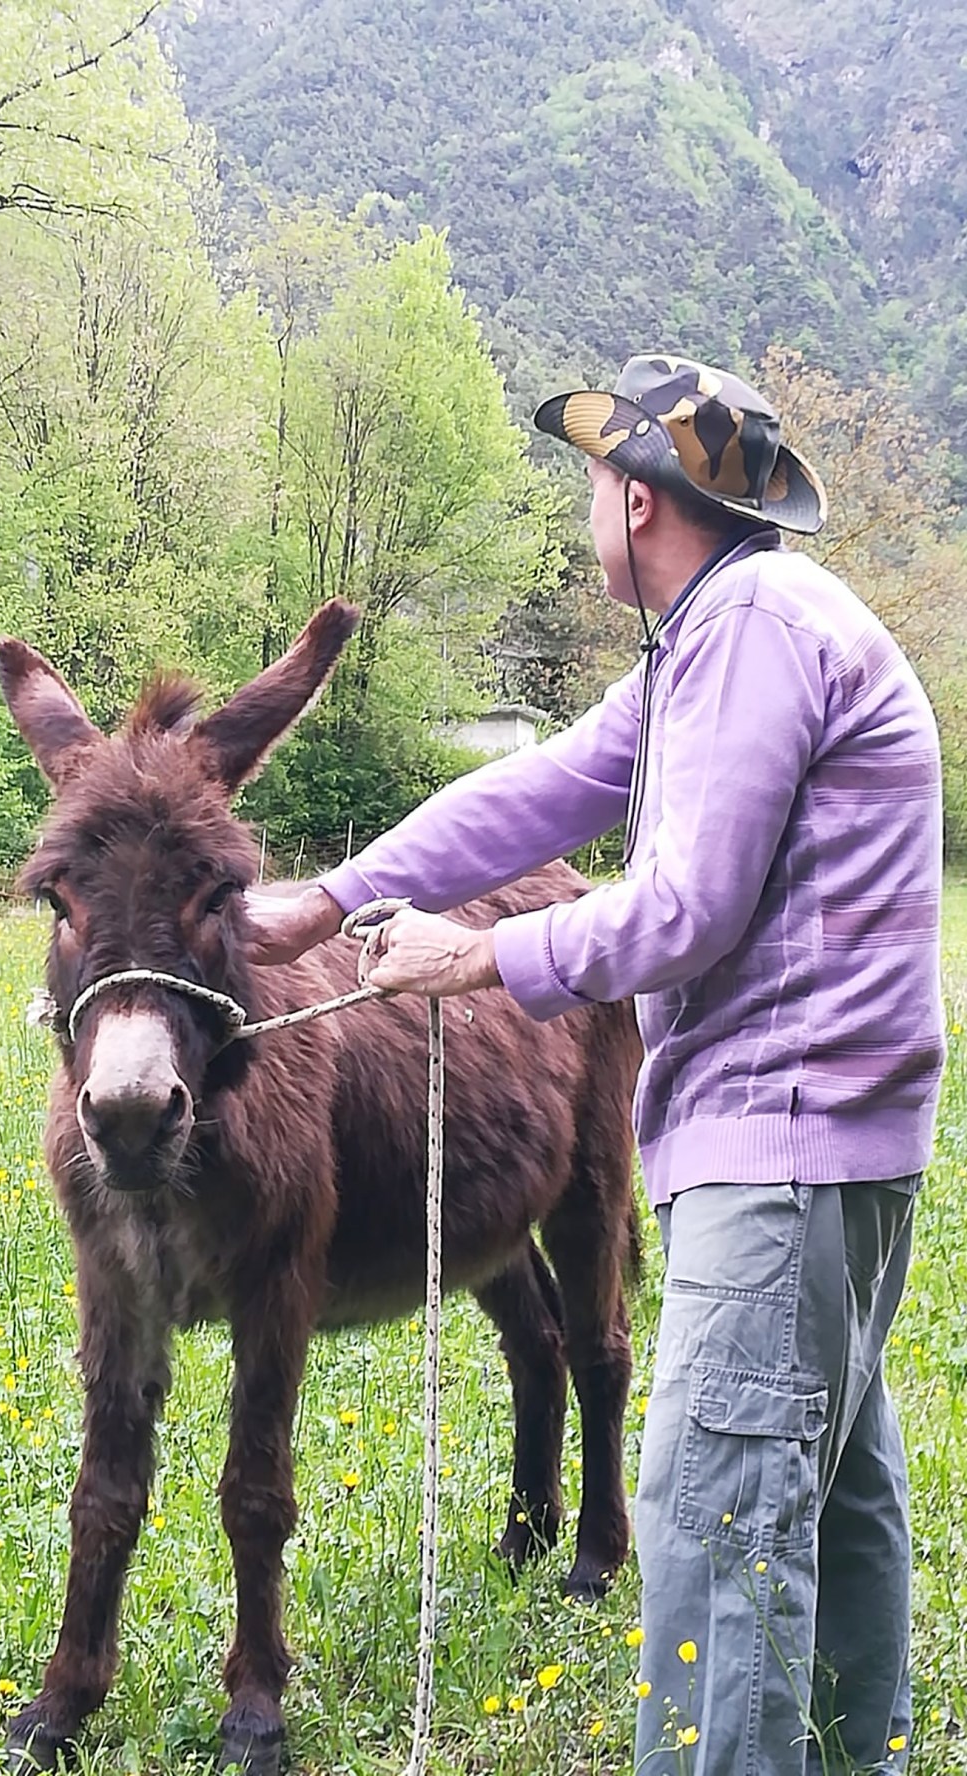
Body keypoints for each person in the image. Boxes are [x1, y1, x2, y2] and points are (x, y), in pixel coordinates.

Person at [242, 354, 946, 1775]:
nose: (586, 516)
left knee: (721, 1501)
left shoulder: (747, 631)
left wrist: (481, 958)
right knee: (836, 1482)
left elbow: (687, 909)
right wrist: (334, 899)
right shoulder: (719, 637)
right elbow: (542, 789)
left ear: (637, 501)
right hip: (839, 1142)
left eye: (590, 491)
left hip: (782, 1137)